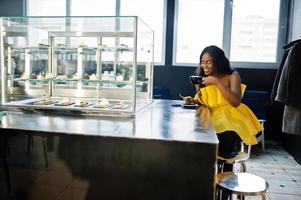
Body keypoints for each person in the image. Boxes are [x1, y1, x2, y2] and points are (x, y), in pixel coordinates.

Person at [184, 45, 263, 171]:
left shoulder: (232, 75)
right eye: (203, 62)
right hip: (214, 118)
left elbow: (235, 102)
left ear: (219, 62)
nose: (205, 66)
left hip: (231, 119)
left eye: (209, 62)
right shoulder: (202, 79)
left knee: (225, 141)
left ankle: (226, 180)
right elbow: (208, 101)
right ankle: (208, 177)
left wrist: (216, 82)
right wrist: (195, 100)